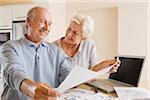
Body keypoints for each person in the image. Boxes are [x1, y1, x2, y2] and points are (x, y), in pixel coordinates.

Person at [0, 7, 71, 100]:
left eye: (49, 24)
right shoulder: (10, 47)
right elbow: (12, 73)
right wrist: (30, 89)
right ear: (29, 21)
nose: (47, 28)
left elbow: (68, 77)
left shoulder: (57, 51)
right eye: (42, 22)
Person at [53, 13, 120, 72]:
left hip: (82, 86)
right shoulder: (52, 47)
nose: (69, 34)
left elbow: (92, 71)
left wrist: (105, 67)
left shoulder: (89, 45)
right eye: (69, 28)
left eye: (75, 33)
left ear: (84, 37)